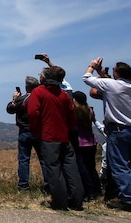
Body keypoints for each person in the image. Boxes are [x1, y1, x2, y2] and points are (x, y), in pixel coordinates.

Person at [28, 65, 83, 210]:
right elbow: (72, 116)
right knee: (71, 168)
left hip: (48, 136)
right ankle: (77, 201)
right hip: (64, 136)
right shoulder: (64, 95)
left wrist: (35, 129)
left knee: (54, 169)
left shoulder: (38, 92)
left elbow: (33, 113)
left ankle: (59, 202)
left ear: (44, 78)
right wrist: (67, 128)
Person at [82, 58, 131, 210]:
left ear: (116, 73)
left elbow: (86, 78)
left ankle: (127, 199)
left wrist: (92, 66)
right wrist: (101, 73)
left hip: (118, 129)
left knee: (120, 166)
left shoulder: (112, 85)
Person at [6, 76, 47, 191]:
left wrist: (14, 99)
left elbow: (9, 109)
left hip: (24, 131)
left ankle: (23, 185)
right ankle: (48, 185)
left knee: (24, 159)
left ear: (26, 87)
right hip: (39, 132)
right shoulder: (41, 99)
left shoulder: (21, 99)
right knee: (44, 159)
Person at [71, 90, 102, 201]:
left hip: (80, 143)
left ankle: (87, 191)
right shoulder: (90, 111)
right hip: (91, 142)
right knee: (91, 168)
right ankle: (96, 190)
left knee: (81, 168)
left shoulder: (75, 112)